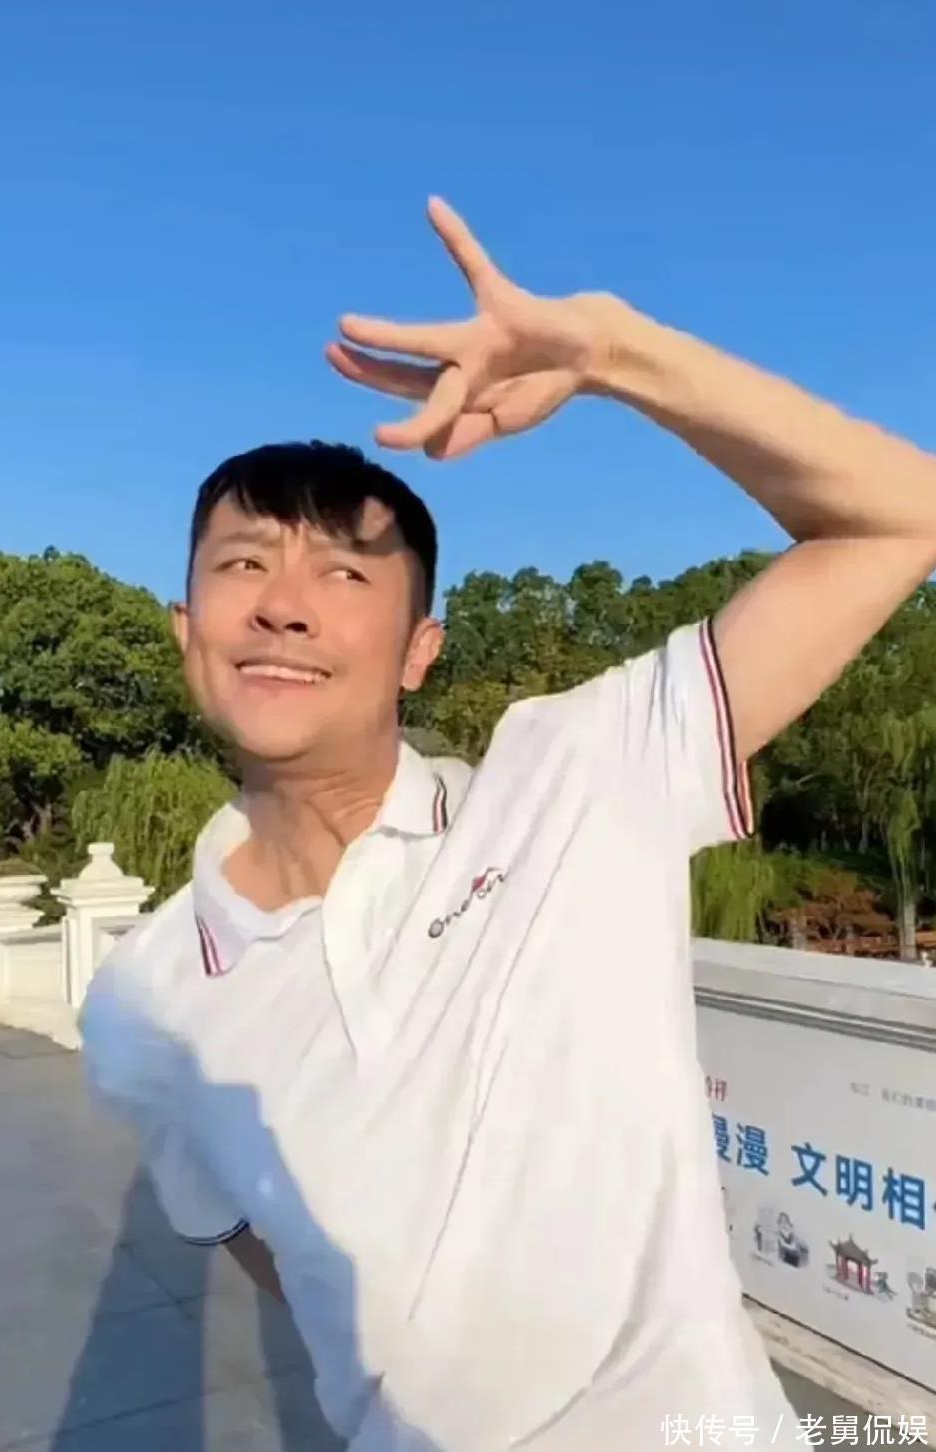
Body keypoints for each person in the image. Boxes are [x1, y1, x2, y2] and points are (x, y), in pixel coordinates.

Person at [80, 198, 936, 1451]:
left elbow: (897, 515)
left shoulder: (575, 781)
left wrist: (609, 350)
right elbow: (265, 1247)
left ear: (418, 651)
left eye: (345, 573)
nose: (283, 607)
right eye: (243, 564)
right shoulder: (141, 1003)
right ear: (186, 632)